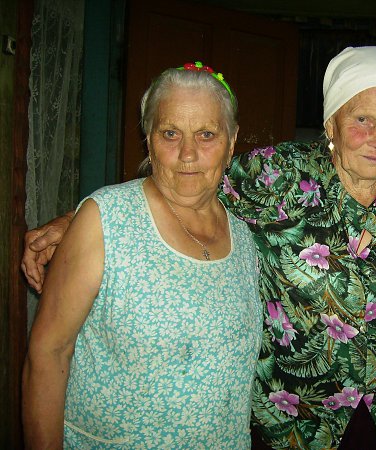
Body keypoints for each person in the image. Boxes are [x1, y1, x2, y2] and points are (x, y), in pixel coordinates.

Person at [22, 46, 376, 449]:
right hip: (295, 426)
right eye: (362, 119)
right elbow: (187, 184)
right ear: (331, 124)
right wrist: (77, 222)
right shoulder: (281, 175)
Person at [22, 62, 263, 448]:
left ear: (231, 142)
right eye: (170, 133)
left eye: (206, 134)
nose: (188, 154)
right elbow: (48, 353)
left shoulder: (244, 239)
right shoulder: (106, 220)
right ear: (149, 139)